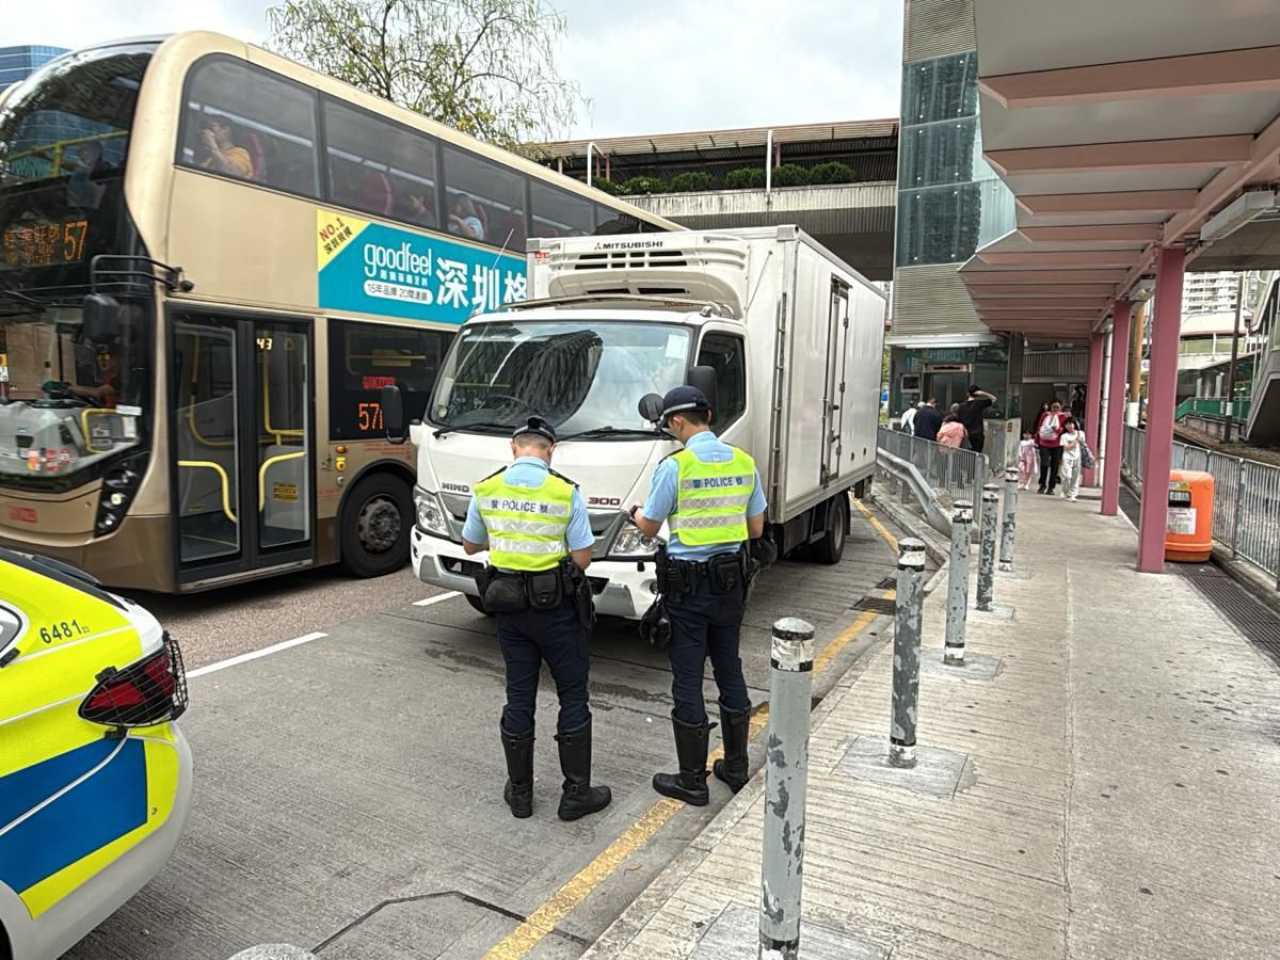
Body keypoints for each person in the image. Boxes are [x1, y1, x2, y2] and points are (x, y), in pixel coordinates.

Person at [461, 415, 611, 823]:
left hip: (509, 611)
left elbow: (471, 543)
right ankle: (576, 794)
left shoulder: (487, 489)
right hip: (558, 611)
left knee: (519, 696)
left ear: (513, 448)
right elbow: (582, 558)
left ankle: (522, 795)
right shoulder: (565, 493)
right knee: (572, 696)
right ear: (551, 450)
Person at [628, 386, 767, 806]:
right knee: (729, 666)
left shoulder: (676, 467)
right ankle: (737, 767)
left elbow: (651, 527)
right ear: (708, 415)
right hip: (730, 585)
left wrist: (634, 514)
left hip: (688, 589)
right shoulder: (744, 462)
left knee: (688, 677)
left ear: (677, 421)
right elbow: (756, 529)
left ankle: (692, 780)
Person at [1035, 400, 1068, 495]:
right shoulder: (1045, 415)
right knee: (1044, 464)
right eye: (1054, 407)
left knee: (1055, 465)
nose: (1055, 409)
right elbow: (1040, 427)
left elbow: (1066, 429)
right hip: (1044, 443)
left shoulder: (1063, 417)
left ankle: (1051, 487)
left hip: (1057, 444)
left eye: (1057, 407)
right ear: (1050, 407)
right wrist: (1036, 441)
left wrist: (1058, 430)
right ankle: (1042, 484)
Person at [956, 384, 997, 454]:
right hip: (977, 433)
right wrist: (983, 393)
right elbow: (994, 399)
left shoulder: (961, 406)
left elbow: (959, 420)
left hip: (966, 434)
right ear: (978, 395)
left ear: (968, 393)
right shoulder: (979, 404)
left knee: (965, 455)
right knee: (977, 455)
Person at [1059, 417, 1084, 501]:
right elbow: (1067, 447)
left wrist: (1079, 440)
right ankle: (1065, 490)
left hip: (1077, 457)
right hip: (1067, 457)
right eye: (1067, 424)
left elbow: (1083, 444)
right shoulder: (1064, 436)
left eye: (1071, 423)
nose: (1069, 426)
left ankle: (1072, 494)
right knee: (1067, 476)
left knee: (1075, 477)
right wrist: (1076, 441)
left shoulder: (1081, 433)